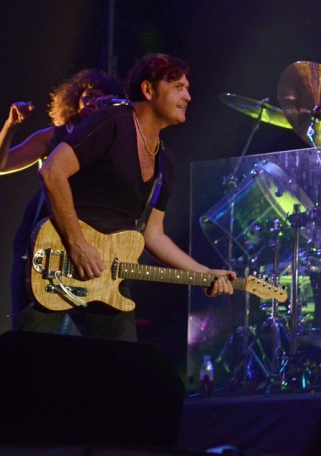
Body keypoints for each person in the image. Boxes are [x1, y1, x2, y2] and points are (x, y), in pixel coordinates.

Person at [27, 53, 235, 341]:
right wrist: (76, 244)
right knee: (24, 366)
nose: (187, 96)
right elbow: (52, 172)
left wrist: (204, 273)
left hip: (107, 275)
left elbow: (154, 235)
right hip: (56, 257)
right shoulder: (111, 122)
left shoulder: (165, 161)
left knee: (125, 370)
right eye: (178, 87)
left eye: (187, 88)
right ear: (148, 90)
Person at [0, 69, 126, 330]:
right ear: (74, 100)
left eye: (100, 97)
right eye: (87, 96)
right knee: (32, 332)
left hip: (89, 246)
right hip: (42, 240)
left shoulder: (114, 143)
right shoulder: (55, 136)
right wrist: (11, 126)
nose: (92, 102)